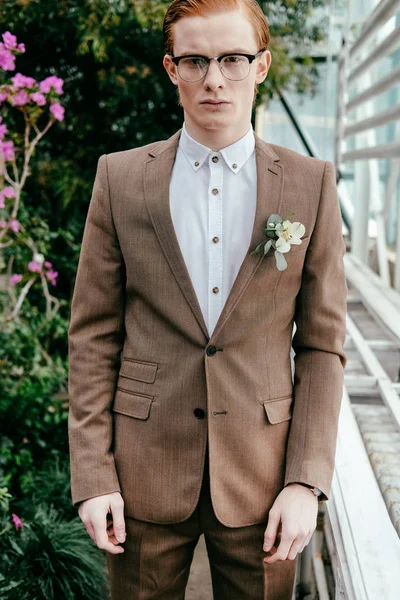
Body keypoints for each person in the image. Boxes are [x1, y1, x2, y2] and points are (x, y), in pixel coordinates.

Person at [67, 0, 348, 598]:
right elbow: (93, 336)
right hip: (143, 472)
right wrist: (94, 475)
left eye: (233, 59)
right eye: (195, 60)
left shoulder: (310, 183)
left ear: (262, 64)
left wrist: (305, 480)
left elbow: (323, 347)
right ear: (172, 69)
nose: (214, 78)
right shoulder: (120, 179)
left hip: (265, 480)